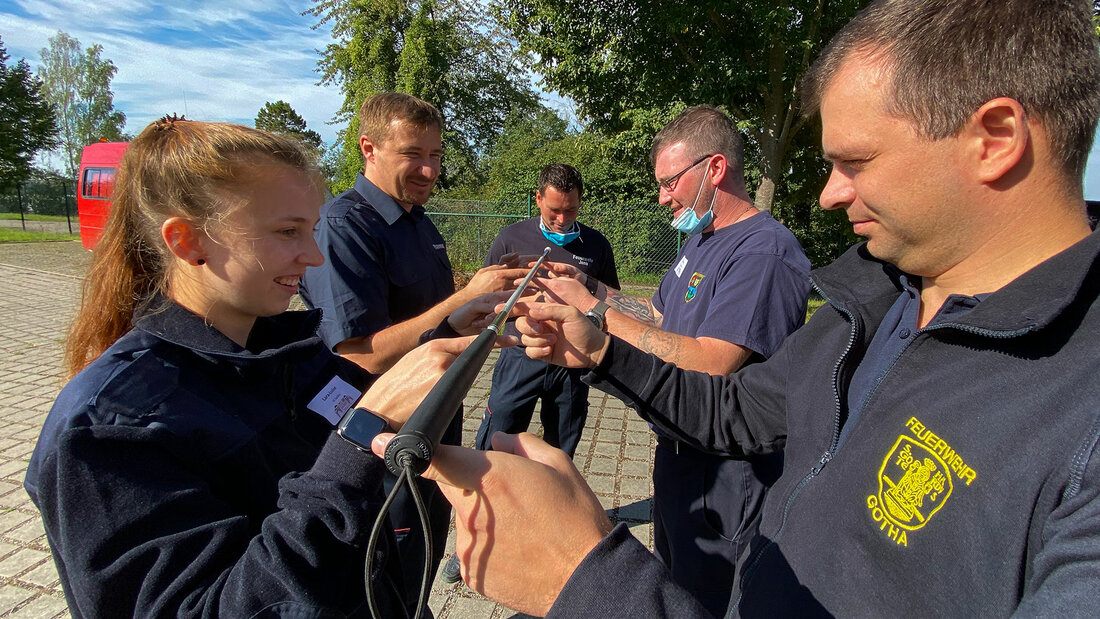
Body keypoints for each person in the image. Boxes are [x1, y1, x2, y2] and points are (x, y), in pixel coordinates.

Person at [377, 0, 1100, 616]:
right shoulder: (875, 302)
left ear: (995, 139)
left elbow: (719, 368)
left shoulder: (1080, 421)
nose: (829, 193)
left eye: (856, 161)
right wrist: (596, 349)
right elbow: (739, 411)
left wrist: (587, 580)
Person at [22, 117, 500, 617]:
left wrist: (447, 337)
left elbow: (342, 400)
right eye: (287, 231)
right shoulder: (110, 429)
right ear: (188, 241)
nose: (314, 256)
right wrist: (355, 442)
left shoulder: (283, 350)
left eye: (311, 230)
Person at [533, 106, 809, 614]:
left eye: (670, 181)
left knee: (708, 601)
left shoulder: (762, 252)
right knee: (674, 586)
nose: (662, 196)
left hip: (727, 473)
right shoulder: (700, 242)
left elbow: (711, 362)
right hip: (679, 453)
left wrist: (594, 312)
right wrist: (584, 284)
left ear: (715, 169)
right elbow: (656, 315)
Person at [298, 92, 529, 600]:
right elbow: (359, 354)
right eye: (413, 154)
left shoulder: (419, 223)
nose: (428, 170)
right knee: (384, 568)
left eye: (436, 155)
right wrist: (463, 297)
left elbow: (432, 324)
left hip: (435, 417)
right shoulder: (344, 226)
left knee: (420, 557)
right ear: (369, 149)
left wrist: (480, 322)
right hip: (378, 436)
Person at [475, 163, 619, 458]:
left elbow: (612, 300)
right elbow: (484, 296)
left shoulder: (597, 245)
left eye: (571, 210)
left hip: (573, 360)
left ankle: (554, 498)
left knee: (562, 448)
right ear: (538, 198)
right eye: (554, 209)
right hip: (521, 353)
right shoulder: (510, 238)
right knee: (497, 441)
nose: (562, 219)